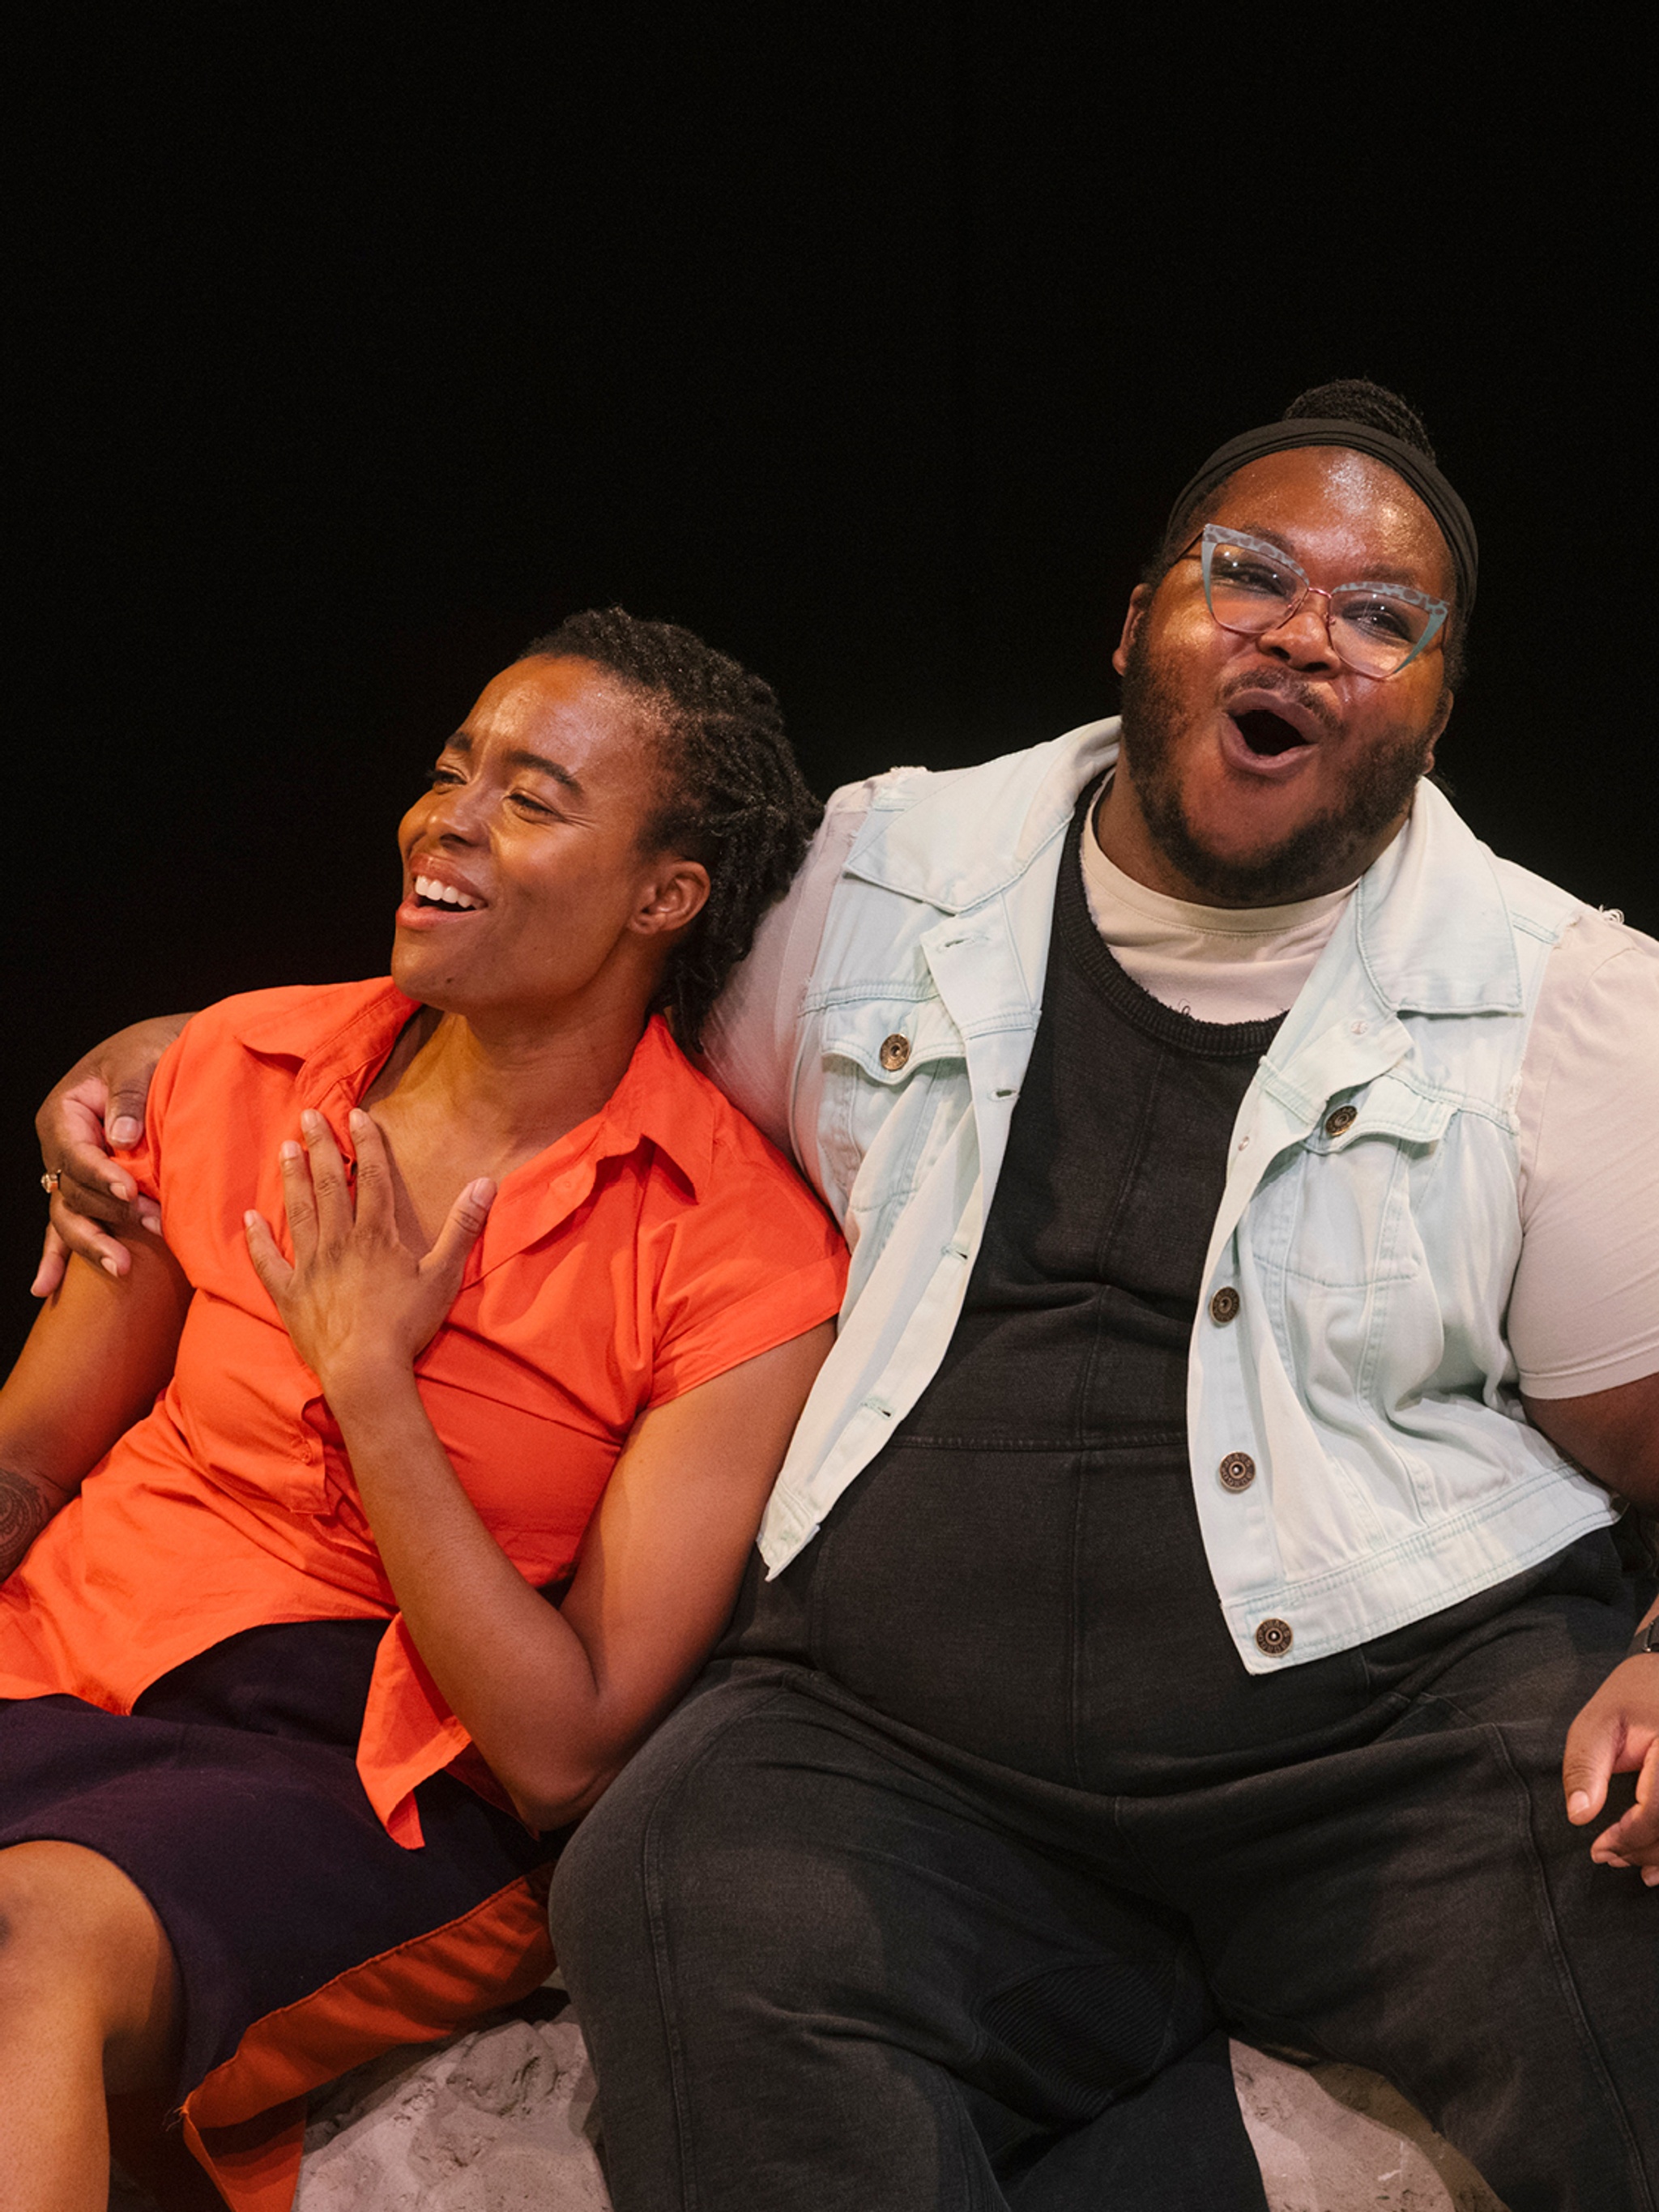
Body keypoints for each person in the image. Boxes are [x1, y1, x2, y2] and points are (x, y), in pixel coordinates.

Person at [35, 384, 1659, 2210]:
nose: (1305, 631)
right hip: (905, 1747)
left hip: (1395, 1744)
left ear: (1435, 706)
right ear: (1136, 620)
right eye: (1249, 574)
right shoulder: (880, 878)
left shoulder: (1561, 996)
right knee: (676, 1880)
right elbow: (539, 1007)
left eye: (1384, 618)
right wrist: (170, 1055)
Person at [1, 609, 847, 2212]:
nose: (445, 817)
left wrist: (369, 1376)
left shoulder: (739, 1254)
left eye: (531, 797)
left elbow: (560, 1752)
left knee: (25, 1941)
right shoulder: (246, 1065)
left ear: (663, 894)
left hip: (361, 1782)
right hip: (63, 1656)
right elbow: (36, 1452)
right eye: (453, 769)